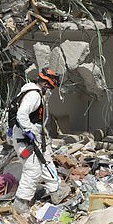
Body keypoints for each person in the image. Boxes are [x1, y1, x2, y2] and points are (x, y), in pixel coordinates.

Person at [9, 68, 70, 213]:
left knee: (46, 162)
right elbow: (22, 114)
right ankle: (21, 203)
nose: (50, 90)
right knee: (33, 169)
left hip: (35, 137)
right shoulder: (33, 95)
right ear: (46, 83)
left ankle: (55, 191)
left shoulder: (29, 92)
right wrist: (28, 131)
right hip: (26, 139)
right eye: (50, 86)